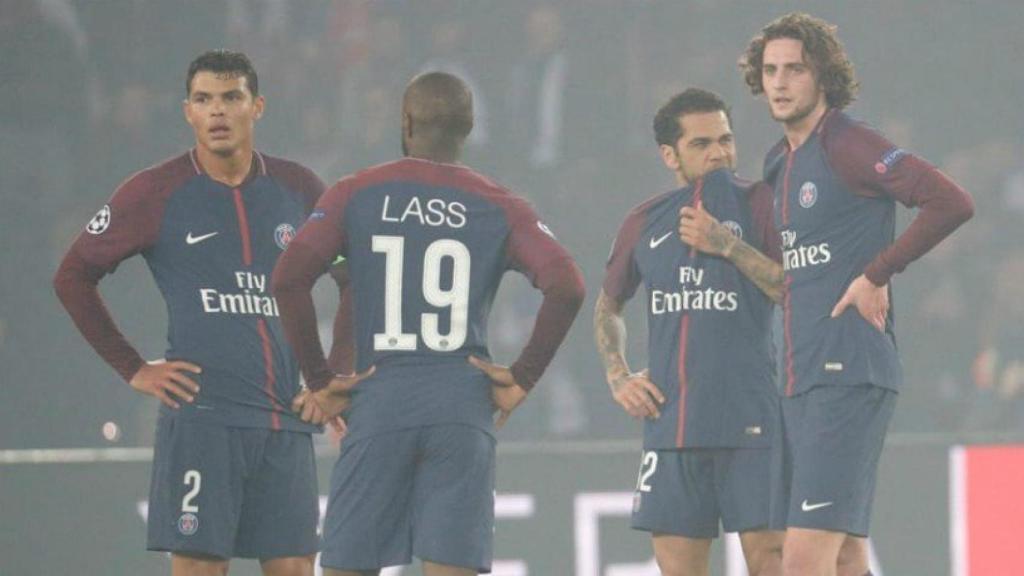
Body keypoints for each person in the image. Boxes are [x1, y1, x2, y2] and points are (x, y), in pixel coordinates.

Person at [681, 13, 973, 576]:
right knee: (843, 559)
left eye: (795, 69)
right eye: (770, 70)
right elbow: (790, 275)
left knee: (803, 561)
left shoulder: (848, 142)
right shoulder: (777, 161)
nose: (781, 82)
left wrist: (878, 273)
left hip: (847, 372)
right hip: (799, 378)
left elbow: (950, 200)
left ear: (823, 76)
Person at [272, 71, 585, 576]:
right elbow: (567, 285)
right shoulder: (501, 205)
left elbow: (288, 280)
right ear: (469, 127)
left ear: (406, 122)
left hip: (378, 404)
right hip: (461, 409)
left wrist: (322, 381)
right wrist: (523, 376)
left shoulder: (355, 192)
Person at [54, 50, 351, 576]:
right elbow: (73, 276)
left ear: (256, 106)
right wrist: (134, 368)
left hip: (285, 423)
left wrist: (331, 380)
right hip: (202, 422)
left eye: (231, 98)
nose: (217, 111)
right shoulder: (156, 191)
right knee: (198, 569)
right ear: (187, 111)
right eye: (203, 99)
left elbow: (356, 282)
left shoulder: (300, 188)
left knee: (296, 569)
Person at [595, 88, 784, 576]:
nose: (719, 152)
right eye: (701, 144)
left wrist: (727, 246)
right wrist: (618, 375)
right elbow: (608, 305)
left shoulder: (760, 200)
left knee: (772, 561)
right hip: (673, 423)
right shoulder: (644, 220)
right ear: (669, 155)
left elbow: (793, 290)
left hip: (752, 421)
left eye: (725, 139)